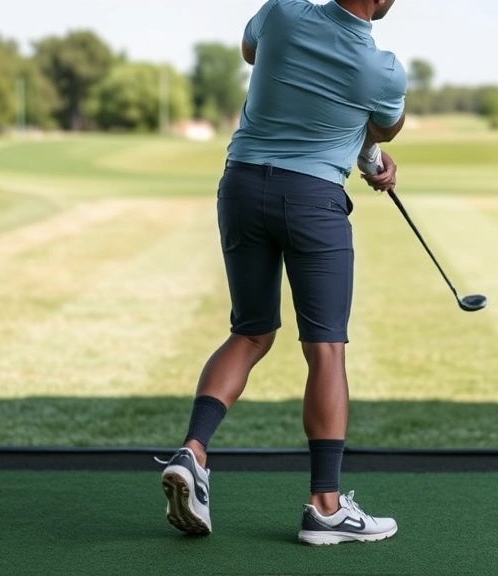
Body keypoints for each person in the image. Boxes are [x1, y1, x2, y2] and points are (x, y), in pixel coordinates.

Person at [158, 0, 406, 546]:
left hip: (243, 186)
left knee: (249, 333)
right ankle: (326, 508)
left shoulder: (281, 14)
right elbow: (386, 128)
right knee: (325, 349)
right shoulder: (383, 68)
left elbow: (252, 51)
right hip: (313, 201)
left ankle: (192, 452)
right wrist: (373, 160)